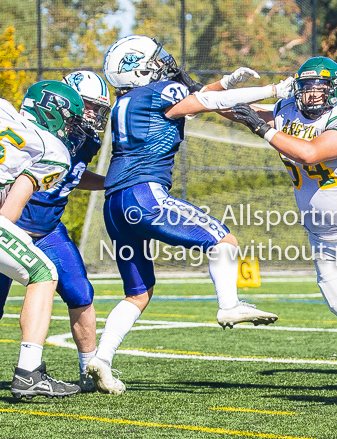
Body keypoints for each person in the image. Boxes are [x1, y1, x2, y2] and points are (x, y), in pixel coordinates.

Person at [88, 35, 292, 394]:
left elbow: (200, 99)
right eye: (154, 60)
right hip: (144, 195)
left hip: (115, 204)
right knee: (224, 240)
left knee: (139, 292)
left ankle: (101, 359)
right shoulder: (155, 93)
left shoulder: (128, 101)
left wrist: (226, 82)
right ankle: (229, 305)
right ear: (138, 69)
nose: (164, 63)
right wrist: (272, 89)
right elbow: (206, 101)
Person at [231, 56, 337, 389]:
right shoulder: (286, 112)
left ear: (335, 89)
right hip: (324, 239)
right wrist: (214, 90)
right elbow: (232, 110)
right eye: (307, 88)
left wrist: (262, 127)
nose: (313, 95)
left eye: (321, 88)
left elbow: (311, 153)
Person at [0, 71, 111, 394]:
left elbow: (71, 176)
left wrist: (108, 182)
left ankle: (89, 371)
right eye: (90, 107)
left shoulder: (87, 140)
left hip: (49, 228)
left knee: (81, 292)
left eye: (98, 109)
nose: (94, 116)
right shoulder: (35, 132)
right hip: (7, 224)